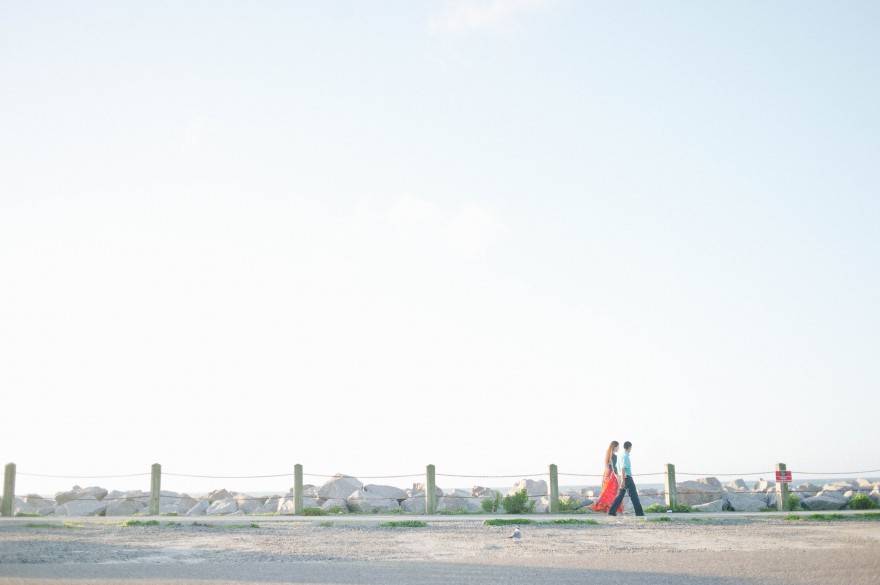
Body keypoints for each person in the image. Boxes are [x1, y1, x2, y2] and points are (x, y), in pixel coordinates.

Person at [607, 441, 644, 517]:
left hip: (621, 478)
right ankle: (639, 513)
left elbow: (616, 468)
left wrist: (620, 480)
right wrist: (623, 481)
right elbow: (623, 468)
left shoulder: (620, 456)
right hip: (626, 478)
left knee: (619, 496)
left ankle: (612, 511)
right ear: (629, 447)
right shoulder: (625, 456)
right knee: (634, 496)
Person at [588, 441, 624, 514]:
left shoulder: (608, 455)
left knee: (607, 492)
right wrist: (618, 478)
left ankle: (607, 507)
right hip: (612, 476)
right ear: (615, 447)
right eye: (618, 447)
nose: (619, 448)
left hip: (607, 475)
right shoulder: (614, 456)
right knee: (614, 493)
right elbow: (614, 468)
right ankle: (614, 508)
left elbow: (608, 467)